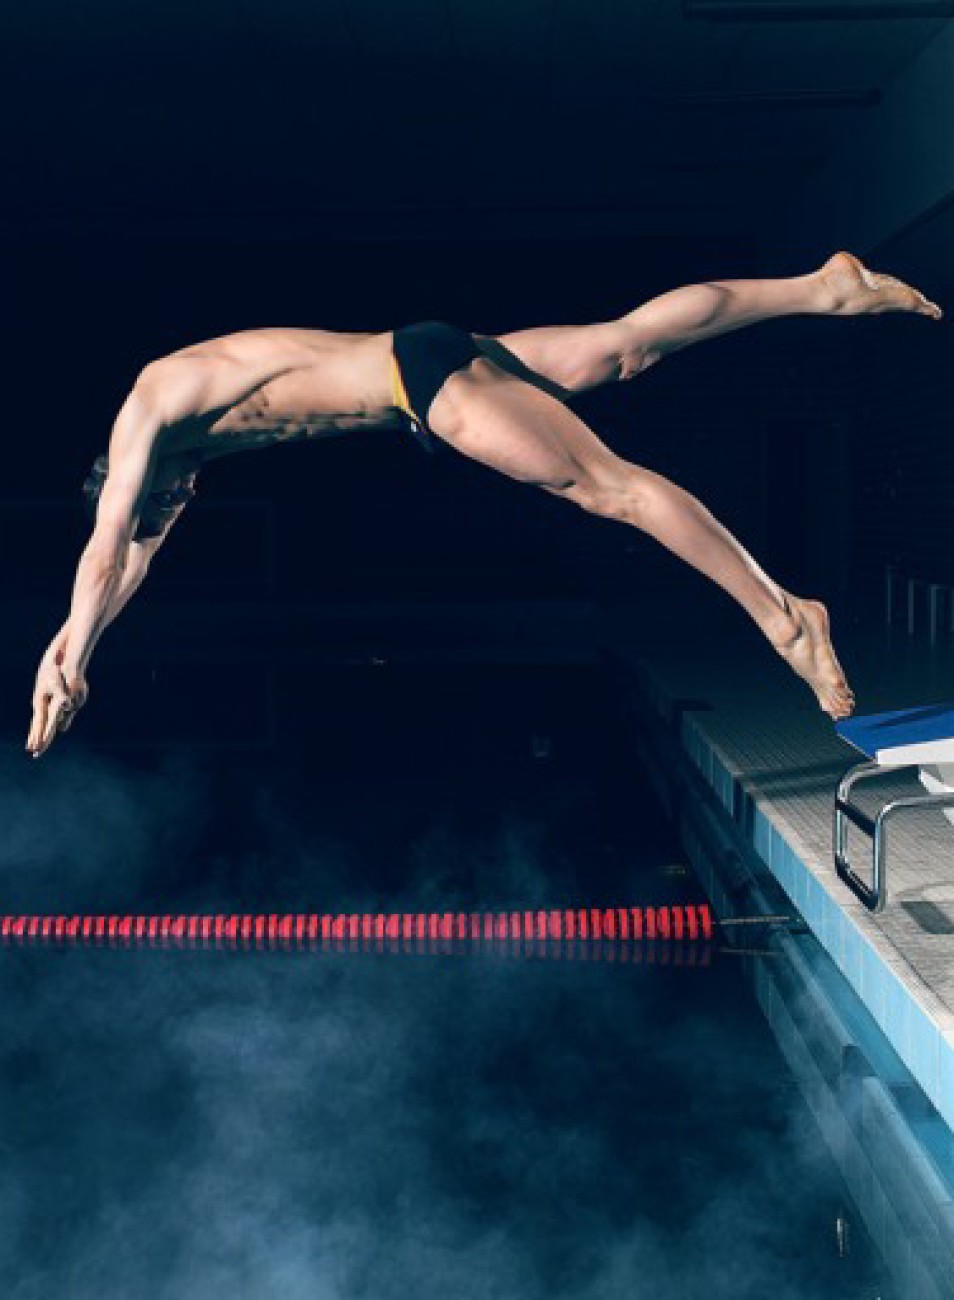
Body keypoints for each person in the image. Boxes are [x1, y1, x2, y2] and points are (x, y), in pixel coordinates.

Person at [26, 251, 942, 757]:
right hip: (424, 353)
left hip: (417, 386)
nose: (181, 503)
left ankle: (788, 618)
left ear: (125, 477)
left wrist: (79, 629)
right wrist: (71, 651)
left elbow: (109, 551)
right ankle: (825, 289)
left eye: (168, 499)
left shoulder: (146, 411)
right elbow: (130, 561)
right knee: (620, 349)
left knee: (611, 490)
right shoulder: (175, 450)